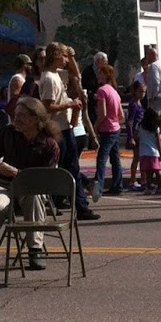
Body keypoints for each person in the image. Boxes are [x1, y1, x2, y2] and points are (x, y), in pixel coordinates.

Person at [0, 96, 61, 269]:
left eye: (21, 116)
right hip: (6, 186)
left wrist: (16, 172)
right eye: (15, 115)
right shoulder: (8, 133)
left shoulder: (49, 145)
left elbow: (46, 179)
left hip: (33, 187)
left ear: (36, 119)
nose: (16, 119)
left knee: (33, 198)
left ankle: (35, 251)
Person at [38, 42, 98, 220]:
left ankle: (80, 206)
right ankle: (61, 203)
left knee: (71, 167)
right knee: (63, 168)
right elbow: (47, 107)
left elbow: (75, 74)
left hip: (65, 127)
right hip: (57, 129)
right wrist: (70, 104)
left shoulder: (56, 74)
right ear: (55, 56)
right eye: (63, 56)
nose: (65, 60)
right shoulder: (48, 77)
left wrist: (72, 57)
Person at [91, 61, 124, 199]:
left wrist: (95, 126)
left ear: (106, 75)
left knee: (101, 158)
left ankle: (98, 187)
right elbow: (121, 114)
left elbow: (102, 113)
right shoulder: (114, 91)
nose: (98, 75)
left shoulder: (102, 91)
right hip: (115, 128)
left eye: (100, 72)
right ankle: (118, 185)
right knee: (115, 158)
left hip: (107, 129)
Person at [141, 45, 161, 175]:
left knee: (154, 128)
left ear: (152, 56)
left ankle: (160, 155)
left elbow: (155, 82)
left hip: (157, 100)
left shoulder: (154, 67)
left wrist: (151, 98)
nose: (146, 58)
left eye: (148, 55)